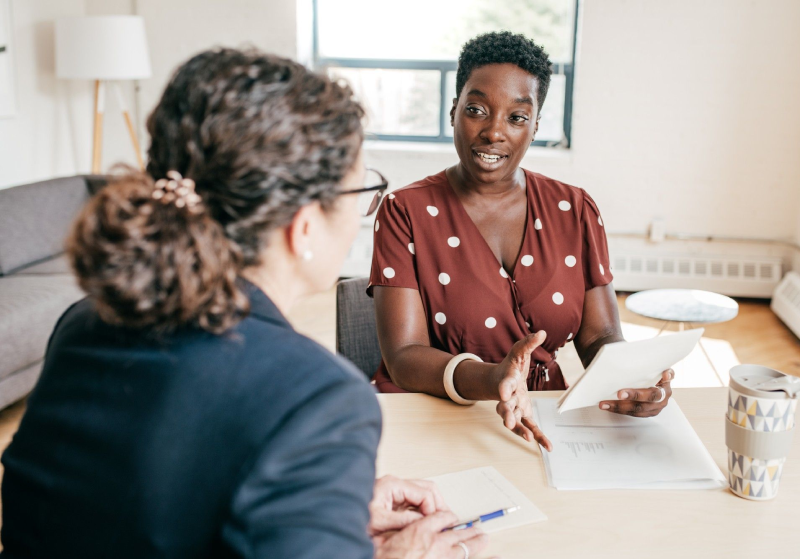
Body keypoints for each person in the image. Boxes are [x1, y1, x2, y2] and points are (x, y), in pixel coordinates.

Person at [0, 48, 486, 559]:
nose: (364, 216)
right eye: (361, 192)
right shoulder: (318, 399)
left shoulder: (86, 321)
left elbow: (117, 501)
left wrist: (312, 507)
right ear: (302, 227)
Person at [369, 32, 674, 448]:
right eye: (477, 110)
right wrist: (494, 377)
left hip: (542, 416)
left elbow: (599, 336)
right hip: (431, 415)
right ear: (453, 111)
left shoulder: (576, 209)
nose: (495, 132)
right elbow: (403, 356)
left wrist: (633, 381)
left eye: (516, 117)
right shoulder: (405, 211)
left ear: (534, 127)